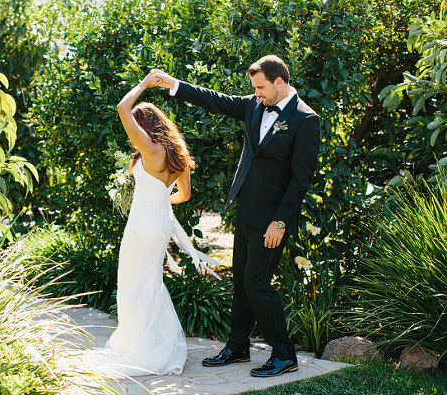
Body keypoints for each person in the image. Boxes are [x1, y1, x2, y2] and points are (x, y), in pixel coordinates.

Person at [150, 54, 321, 377]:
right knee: (242, 283)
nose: (257, 94)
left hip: (273, 220)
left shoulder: (305, 120)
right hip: (246, 211)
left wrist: (281, 222)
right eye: (254, 89)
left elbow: (301, 180)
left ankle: (285, 355)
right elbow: (214, 100)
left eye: (261, 88)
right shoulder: (255, 105)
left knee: (257, 285)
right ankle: (238, 347)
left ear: (279, 82)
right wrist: (174, 85)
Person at [84, 72, 218, 376]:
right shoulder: (178, 157)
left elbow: (122, 108)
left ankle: (138, 345)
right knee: (151, 283)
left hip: (143, 224)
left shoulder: (150, 150)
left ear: (144, 127)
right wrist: (159, 200)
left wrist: (144, 84)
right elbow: (183, 196)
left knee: (132, 284)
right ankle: (155, 342)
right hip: (159, 223)